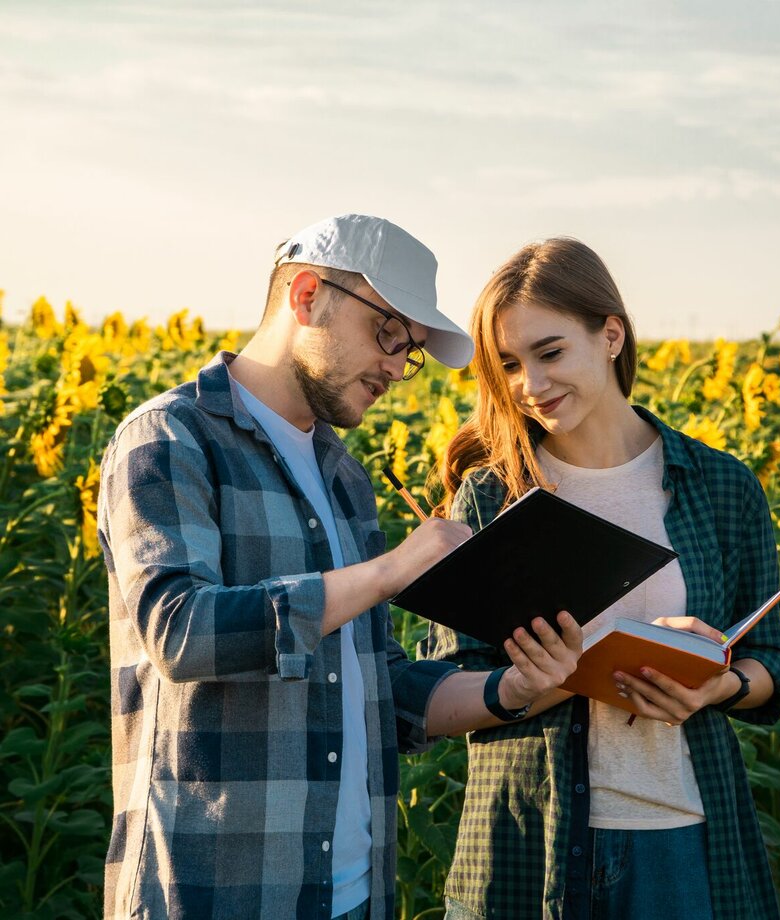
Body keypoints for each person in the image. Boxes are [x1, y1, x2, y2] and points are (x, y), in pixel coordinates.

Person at [97, 214, 583, 920]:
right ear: (305, 297)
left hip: (352, 892)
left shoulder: (343, 478)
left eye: (410, 350)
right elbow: (180, 633)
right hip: (215, 894)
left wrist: (516, 686)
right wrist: (387, 572)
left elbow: (375, 686)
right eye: (389, 333)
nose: (396, 366)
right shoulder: (170, 439)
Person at [422, 237, 780, 920]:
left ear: (611, 335)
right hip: (526, 843)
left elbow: (772, 660)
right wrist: (529, 682)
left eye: (551, 352)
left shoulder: (721, 487)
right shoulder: (490, 497)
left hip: (681, 839)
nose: (529, 384)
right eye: (508, 364)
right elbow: (433, 696)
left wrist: (720, 683)